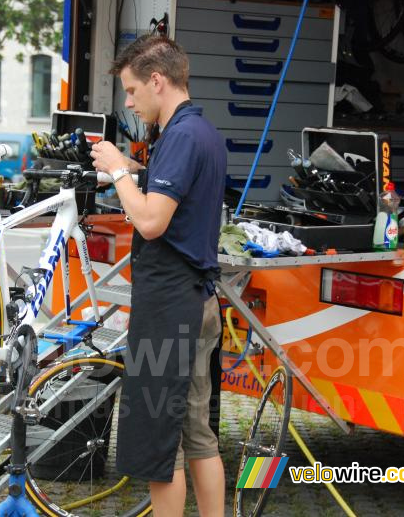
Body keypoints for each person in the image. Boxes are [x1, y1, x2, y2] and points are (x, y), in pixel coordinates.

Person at [90, 34, 227, 517]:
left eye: (131, 91)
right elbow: (174, 193)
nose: (129, 103)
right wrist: (136, 170)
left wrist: (118, 172)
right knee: (197, 435)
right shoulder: (200, 132)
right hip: (197, 301)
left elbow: (151, 221)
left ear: (157, 80)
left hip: (173, 310)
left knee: (158, 445)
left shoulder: (181, 137)